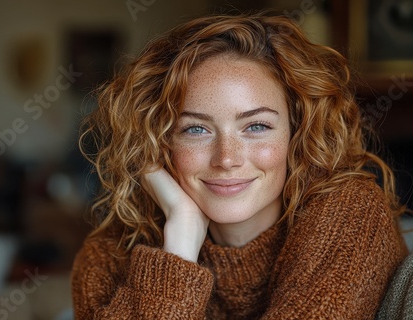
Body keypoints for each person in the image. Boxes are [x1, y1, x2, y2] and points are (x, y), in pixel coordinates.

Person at [71, 12, 409, 319]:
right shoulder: (107, 259)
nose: (227, 158)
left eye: (256, 126)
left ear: (297, 132)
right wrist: (178, 250)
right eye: (196, 129)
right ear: (159, 141)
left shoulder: (351, 215)